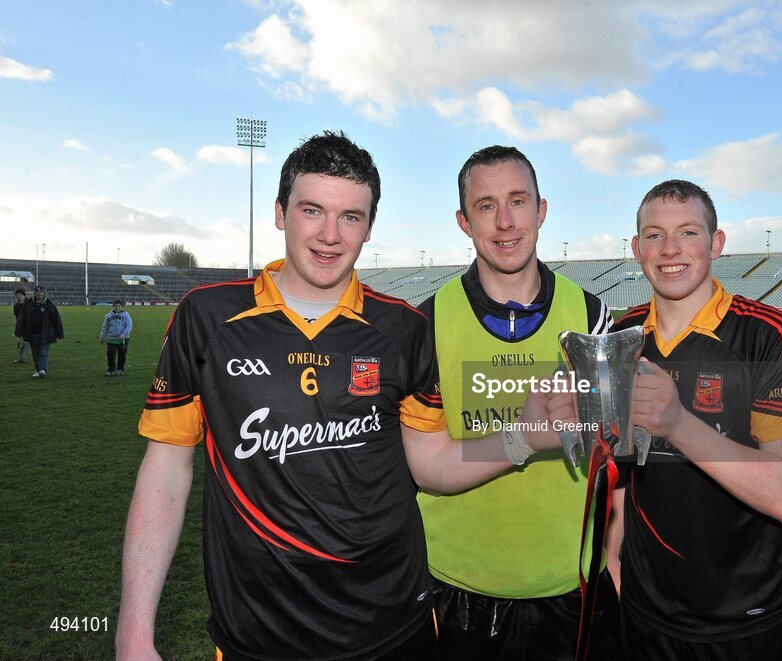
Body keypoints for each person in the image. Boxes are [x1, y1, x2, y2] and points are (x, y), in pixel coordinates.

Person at [115, 131, 563, 661]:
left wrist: (525, 437)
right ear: (281, 213)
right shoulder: (208, 317)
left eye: (350, 216)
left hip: (394, 626)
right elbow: (167, 470)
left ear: (369, 226)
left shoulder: (401, 328)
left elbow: (432, 463)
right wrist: (134, 631)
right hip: (259, 635)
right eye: (313, 210)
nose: (330, 235)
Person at [598, 180, 782, 659]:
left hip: (746, 618)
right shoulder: (621, 335)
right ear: (636, 249)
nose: (670, 249)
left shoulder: (769, 336)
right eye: (654, 235)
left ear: (716, 244)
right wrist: (613, 561)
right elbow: (618, 470)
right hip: (644, 612)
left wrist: (677, 423)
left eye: (688, 233)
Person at [416, 145, 620, 660]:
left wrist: (612, 558)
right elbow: (423, 463)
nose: (505, 222)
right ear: (464, 221)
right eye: (486, 206)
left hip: (572, 584)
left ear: (541, 210)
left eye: (518, 201)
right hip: (458, 586)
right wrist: (522, 437)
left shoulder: (592, 315)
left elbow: (614, 456)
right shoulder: (424, 324)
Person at [15, 285, 64, 378]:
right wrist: (18, 331)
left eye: (41, 292)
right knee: (35, 354)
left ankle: (42, 370)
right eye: (37, 292)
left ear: (44, 293)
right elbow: (21, 319)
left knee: (43, 352)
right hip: (32, 334)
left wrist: (59, 333)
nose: (39, 293)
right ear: (35, 293)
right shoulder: (28, 305)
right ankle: (39, 370)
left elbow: (57, 320)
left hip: (46, 334)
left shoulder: (49, 305)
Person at [99, 300, 133, 375]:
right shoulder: (108, 316)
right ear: (113, 307)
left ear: (121, 307)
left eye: (119, 306)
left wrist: (123, 334)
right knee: (111, 354)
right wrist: (102, 337)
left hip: (123, 339)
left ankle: (120, 369)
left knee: (122, 354)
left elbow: (129, 326)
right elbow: (105, 327)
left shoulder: (126, 315)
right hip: (111, 339)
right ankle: (111, 369)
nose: (117, 308)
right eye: (115, 306)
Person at [12, 287, 30, 363]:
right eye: (17, 295)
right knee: (24, 342)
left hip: (32, 324)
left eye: (20, 294)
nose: (18, 296)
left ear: (24, 295)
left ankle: (40, 357)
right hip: (23, 326)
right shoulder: (16, 306)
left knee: (36, 343)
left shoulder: (29, 303)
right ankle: (22, 358)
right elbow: (17, 317)